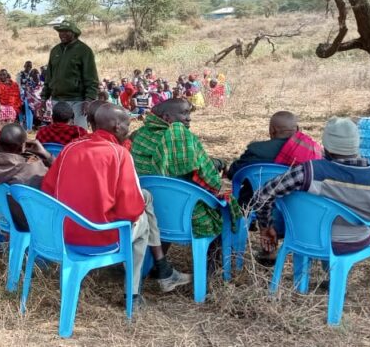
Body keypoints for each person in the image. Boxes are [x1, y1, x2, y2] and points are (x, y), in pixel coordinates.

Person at [42, 103, 190, 301]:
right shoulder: (120, 154)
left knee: (144, 199)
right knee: (143, 220)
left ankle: (163, 270)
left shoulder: (71, 147)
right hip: (99, 237)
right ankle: (134, 293)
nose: (129, 131)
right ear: (117, 126)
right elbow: (130, 209)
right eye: (127, 125)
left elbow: (48, 190)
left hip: (63, 232)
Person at [252, 117, 370, 259]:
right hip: (358, 243)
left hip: (310, 240)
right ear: (357, 144)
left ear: (326, 146)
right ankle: (333, 278)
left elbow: (263, 195)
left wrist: (265, 226)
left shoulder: (309, 171)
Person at [131, 99, 239, 238]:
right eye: (184, 113)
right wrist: (221, 169)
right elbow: (200, 170)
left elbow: (186, 162)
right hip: (185, 213)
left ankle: (159, 257)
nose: (189, 118)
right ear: (166, 118)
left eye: (189, 113)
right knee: (224, 202)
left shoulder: (142, 134)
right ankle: (214, 256)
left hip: (151, 210)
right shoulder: (178, 135)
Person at [0, 123, 52, 230]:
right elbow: (57, 177)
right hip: (26, 221)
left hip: (0, 213)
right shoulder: (32, 168)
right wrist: (46, 154)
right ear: (23, 146)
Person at [227, 111, 323, 185]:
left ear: (272, 130)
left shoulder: (255, 150)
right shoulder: (314, 151)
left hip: (255, 205)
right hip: (297, 207)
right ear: (297, 129)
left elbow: (233, 173)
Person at [41, 19, 99, 128]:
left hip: (77, 101)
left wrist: (89, 100)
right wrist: (44, 99)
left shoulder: (84, 51)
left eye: (66, 31)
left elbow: (91, 78)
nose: (62, 34)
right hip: (57, 100)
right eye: (60, 31)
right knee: (59, 133)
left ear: (73, 33)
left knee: (79, 132)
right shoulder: (55, 51)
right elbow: (49, 77)